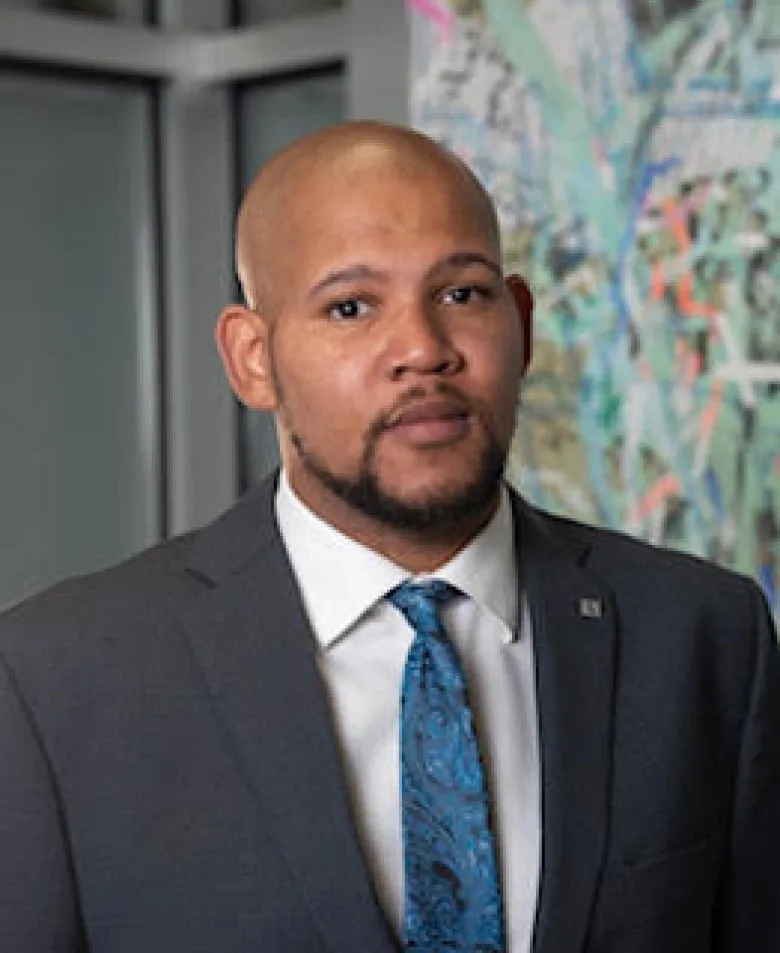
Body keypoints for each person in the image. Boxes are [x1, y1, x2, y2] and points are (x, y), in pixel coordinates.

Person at [0, 122, 778, 953]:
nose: (422, 349)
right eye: (350, 306)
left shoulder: (704, 635)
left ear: (520, 322)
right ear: (252, 358)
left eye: (462, 294)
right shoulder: (57, 680)